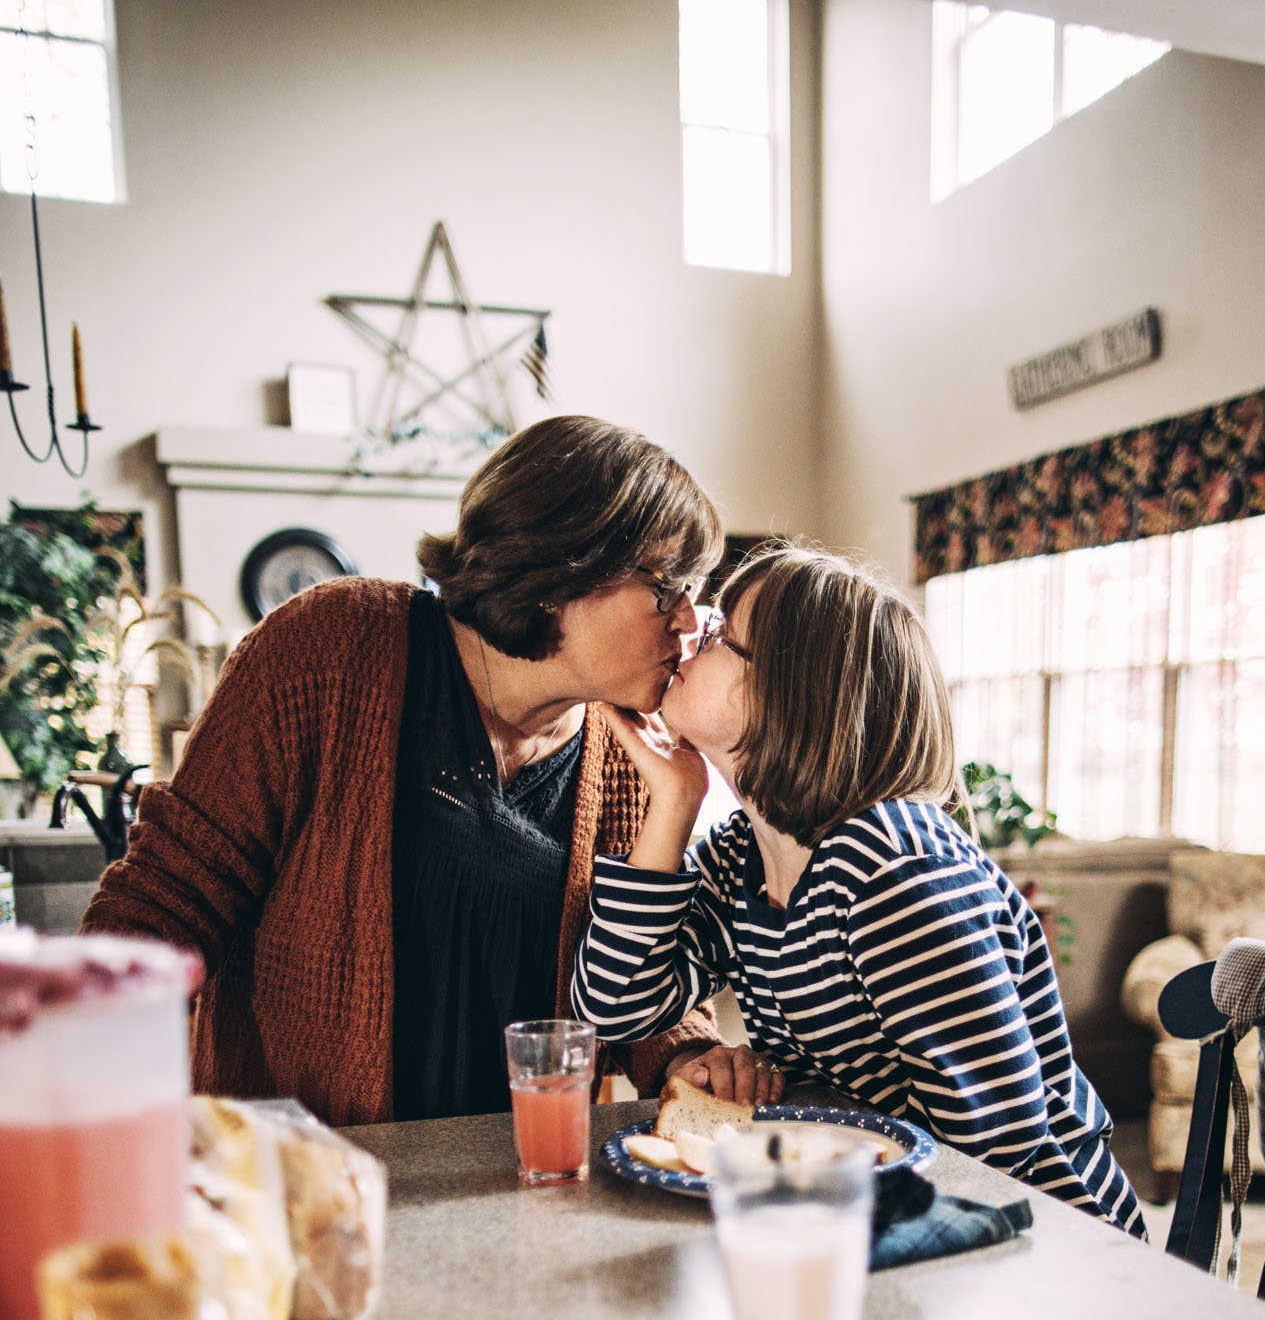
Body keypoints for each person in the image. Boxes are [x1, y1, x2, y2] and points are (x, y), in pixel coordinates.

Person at [82, 416, 784, 1126]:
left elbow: (632, 966)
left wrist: (686, 1051)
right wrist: (73, 1041)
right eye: (669, 586)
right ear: (560, 571)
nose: (691, 619)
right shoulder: (330, 648)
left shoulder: (631, 758)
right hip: (296, 1171)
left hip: (512, 1180)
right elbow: (176, 886)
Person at [571, 543, 1146, 1235]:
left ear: (790, 690)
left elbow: (997, 1156)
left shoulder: (895, 874)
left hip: (1045, 1242)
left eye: (724, 635)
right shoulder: (742, 859)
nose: (694, 633)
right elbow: (615, 1008)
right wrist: (672, 802)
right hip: (880, 1208)